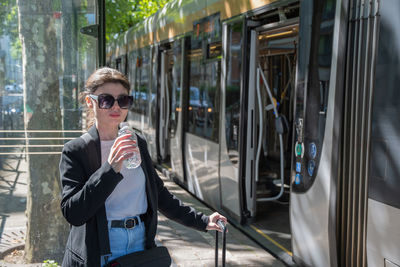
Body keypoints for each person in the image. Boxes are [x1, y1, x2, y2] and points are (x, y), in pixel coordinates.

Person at [59, 67, 227, 267]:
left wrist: (202, 221)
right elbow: (74, 213)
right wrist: (110, 168)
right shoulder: (76, 151)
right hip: (103, 246)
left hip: (141, 242)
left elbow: (159, 195)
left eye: (123, 100)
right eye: (106, 100)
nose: (116, 107)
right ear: (90, 102)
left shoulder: (137, 141)